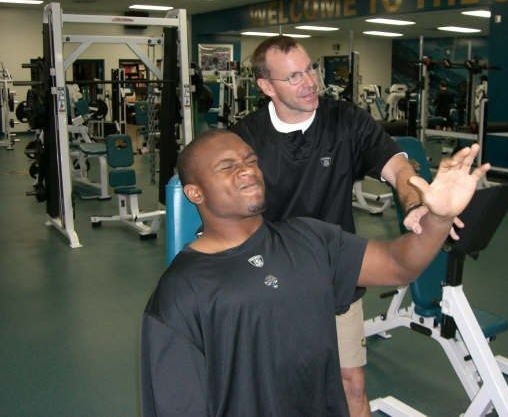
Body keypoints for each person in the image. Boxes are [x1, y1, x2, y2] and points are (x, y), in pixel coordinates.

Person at [141, 130, 488, 417]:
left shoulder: (309, 238)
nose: (247, 170)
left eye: (250, 161)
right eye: (227, 167)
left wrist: (439, 219)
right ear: (194, 192)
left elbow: (399, 265)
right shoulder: (180, 292)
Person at [231, 36, 431, 416]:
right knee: (275, 390)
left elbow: (397, 167)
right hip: (271, 281)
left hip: (335, 275)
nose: (309, 82)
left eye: (310, 69)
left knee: (352, 385)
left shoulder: (345, 121)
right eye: (293, 77)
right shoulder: (246, 139)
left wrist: (416, 201)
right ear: (266, 87)